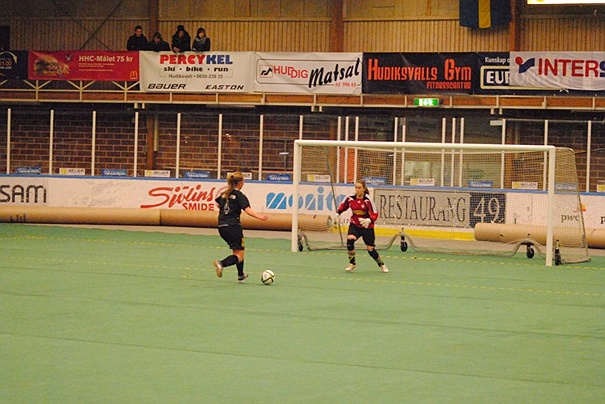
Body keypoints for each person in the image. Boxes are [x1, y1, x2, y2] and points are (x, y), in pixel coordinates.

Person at [213, 172, 269, 282]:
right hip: (233, 226)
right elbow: (247, 210)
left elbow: (218, 204)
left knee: (238, 250)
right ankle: (221, 263)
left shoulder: (224, 194)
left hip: (221, 226)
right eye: (243, 182)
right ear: (239, 183)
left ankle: (240, 274)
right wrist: (261, 217)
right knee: (239, 255)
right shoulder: (239, 195)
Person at [336, 179, 389, 273]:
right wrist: (337, 214)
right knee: (350, 241)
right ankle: (352, 264)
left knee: (370, 250)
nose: (357, 190)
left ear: (364, 189)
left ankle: (382, 264)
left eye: (359, 188)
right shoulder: (350, 198)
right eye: (356, 188)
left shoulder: (368, 200)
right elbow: (344, 206)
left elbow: (375, 213)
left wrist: (369, 220)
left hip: (367, 227)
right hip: (355, 225)